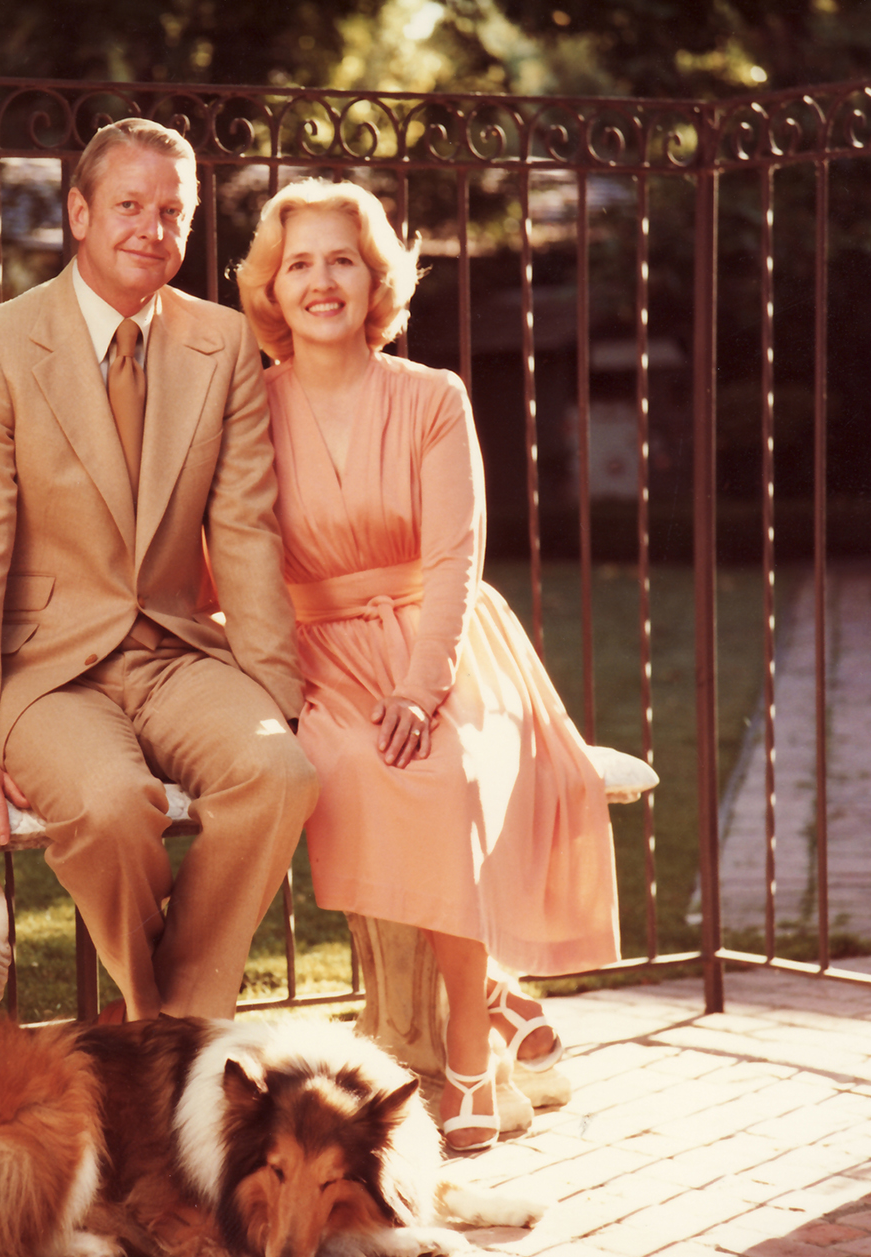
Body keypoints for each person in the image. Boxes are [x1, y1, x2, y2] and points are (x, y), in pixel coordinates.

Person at [236, 180, 619, 1150]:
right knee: (357, 768)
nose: (322, 281)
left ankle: (463, 1047)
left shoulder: (433, 397)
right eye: (301, 263)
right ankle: (491, 991)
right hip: (316, 656)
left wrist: (419, 683)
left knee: (443, 771)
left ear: (377, 279)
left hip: (436, 642)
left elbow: (455, 555)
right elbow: (228, 555)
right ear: (272, 287)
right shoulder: (247, 406)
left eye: (343, 260)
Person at [0, 118, 317, 1023]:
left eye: (172, 211)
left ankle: (168, 1024)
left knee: (279, 775)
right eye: (129, 206)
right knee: (106, 805)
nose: (152, 229)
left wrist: (276, 698)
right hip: (43, 667)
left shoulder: (221, 346)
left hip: (174, 650)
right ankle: (161, 1024)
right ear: (79, 213)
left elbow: (245, 533)